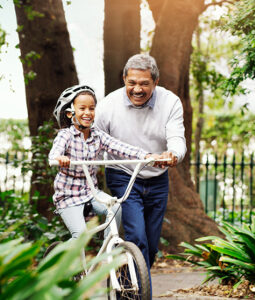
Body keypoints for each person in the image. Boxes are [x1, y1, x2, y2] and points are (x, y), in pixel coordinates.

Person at [95, 54, 186, 270]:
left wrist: (173, 154)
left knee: (151, 247)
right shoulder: (108, 105)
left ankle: (129, 283)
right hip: (122, 174)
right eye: (132, 83)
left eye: (144, 83)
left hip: (157, 178)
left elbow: (176, 137)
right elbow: (94, 143)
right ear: (124, 79)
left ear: (155, 82)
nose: (137, 89)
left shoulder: (170, 102)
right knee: (137, 237)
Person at [48, 84, 163, 241]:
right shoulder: (65, 136)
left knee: (115, 207)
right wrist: (60, 159)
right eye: (82, 108)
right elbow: (54, 155)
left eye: (91, 108)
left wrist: (147, 156)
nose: (87, 113)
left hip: (91, 193)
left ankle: (109, 249)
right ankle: (61, 262)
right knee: (80, 235)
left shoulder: (98, 136)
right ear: (70, 113)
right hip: (68, 196)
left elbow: (121, 147)